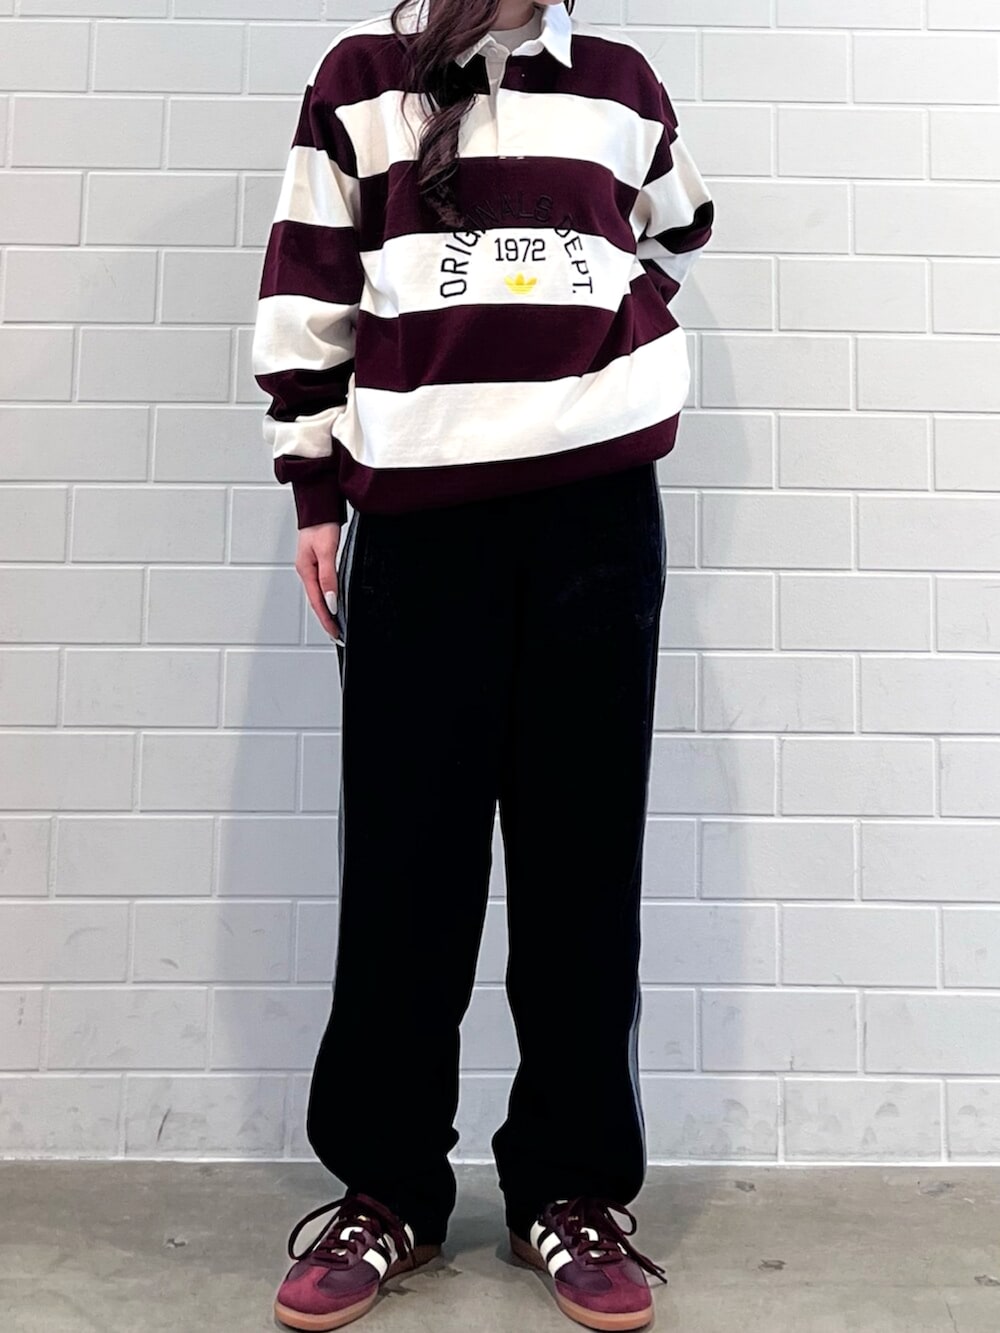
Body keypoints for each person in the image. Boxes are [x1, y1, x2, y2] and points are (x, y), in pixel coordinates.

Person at [251, 0, 713, 1327]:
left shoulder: (620, 83)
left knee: (582, 867)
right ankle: (388, 1188)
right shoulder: (361, 77)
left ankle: (569, 1190)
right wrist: (316, 493)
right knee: (409, 868)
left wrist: (608, 325)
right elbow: (309, 286)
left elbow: (677, 226)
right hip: (419, 521)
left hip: (597, 517)